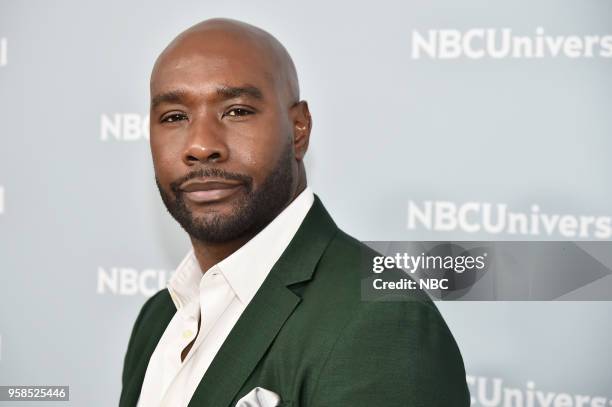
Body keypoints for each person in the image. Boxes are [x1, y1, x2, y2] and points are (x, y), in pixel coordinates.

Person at [119, 17, 470, 407]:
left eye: (236, 111)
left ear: (299, 128)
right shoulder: (159, 319)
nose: (201, 145)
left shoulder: (382, 322)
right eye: (174, 117)